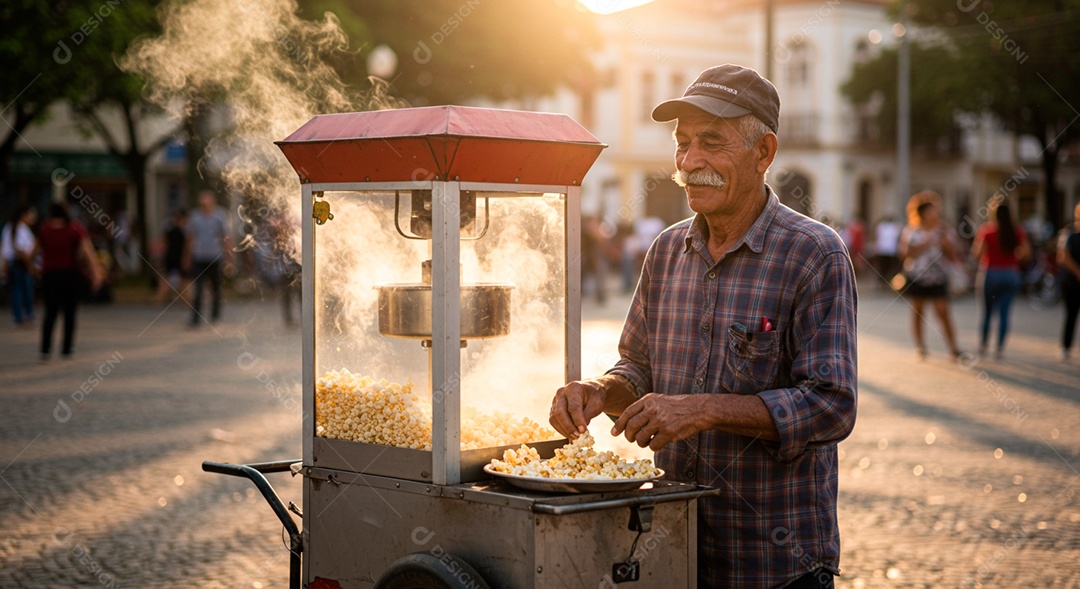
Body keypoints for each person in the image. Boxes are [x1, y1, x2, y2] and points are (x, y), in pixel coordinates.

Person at [549, 64, 857, 588]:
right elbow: (638, 367)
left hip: (773, 564)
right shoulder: (666, 250)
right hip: (670, 554)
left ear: (764, 153)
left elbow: (831, 405)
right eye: (683, 143)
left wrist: (705, 409)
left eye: (711, 143)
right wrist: (601, 392)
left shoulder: (813, 254)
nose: (691, 162)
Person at [898, 192, 963, 359]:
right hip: (917, 277)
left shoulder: (944, 231)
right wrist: (925, 244)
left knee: (943, 312)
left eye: (936, 211)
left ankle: (953, 347)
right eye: (932, 211)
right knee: (918, 311)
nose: (936, 214)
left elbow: (952, 255)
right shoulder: (912, 232)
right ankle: (920, 346)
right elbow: (905, 255)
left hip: (938, 278)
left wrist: (946, 245)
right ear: (922, 213)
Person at [36, 203, 104, 359]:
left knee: (50, 312)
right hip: (70, 275)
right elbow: (89, 253)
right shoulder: (75, 229)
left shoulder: (44, 230)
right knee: (70, 313)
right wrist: (96, 274)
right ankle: (66, 348)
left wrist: (35, 269)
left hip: (50, 276)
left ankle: (45, 349)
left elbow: (34, 252)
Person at [971, 198, 1029, 358]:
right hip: (1011, 274)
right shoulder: (1018, 231)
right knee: (1005, 313)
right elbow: (1026, 253)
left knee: (987, 312)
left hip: (991, 273)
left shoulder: (987, 231)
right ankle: (1000, 348)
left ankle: (983, 345)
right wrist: (1014, 257)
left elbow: (978, 254)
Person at [183, 190, 233, 327]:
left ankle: (215, 316)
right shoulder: (195, 216)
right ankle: (195, 318)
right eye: (201, 201)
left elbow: (226, 237)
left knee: (216, 288)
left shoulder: (220, 216)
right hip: (199, 256)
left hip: (215, 257)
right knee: (198, 289)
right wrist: (187, 256)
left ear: (212, 201)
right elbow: (190, 238)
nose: (203, 203)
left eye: (206, 200)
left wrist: (229, 257)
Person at [2, 205, 39, 326]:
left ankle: (19, 316)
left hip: (14, 263)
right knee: (25, 290)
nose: (33, 218)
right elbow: (21, 250)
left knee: (17, 290)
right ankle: (25, 316)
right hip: (21, 264)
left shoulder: (9, 227)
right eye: (31, 215)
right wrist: (30, 264)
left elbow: (5, 248)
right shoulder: (21, 229)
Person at [155, 209, 189, 305]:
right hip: (176, 258)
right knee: (182, 280)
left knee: (171, 280)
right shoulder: (183, 232)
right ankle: (160, 299)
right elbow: (186, 246)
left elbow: (165, 244)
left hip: (171, 257)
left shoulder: (171, 231)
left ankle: (159, 300)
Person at [1060, 203, 1080, 361]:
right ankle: (1066, 347)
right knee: (1071, 315)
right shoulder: (1069, 233)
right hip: (1071, 283)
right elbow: (1063, 257)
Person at [871, 214, 902, 289]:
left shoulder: (882, 226)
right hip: (888, 250)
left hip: (886, 250)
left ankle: (885, 282)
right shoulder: (893, 227)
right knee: (887, 268)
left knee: (885, 268)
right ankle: (884, 282)